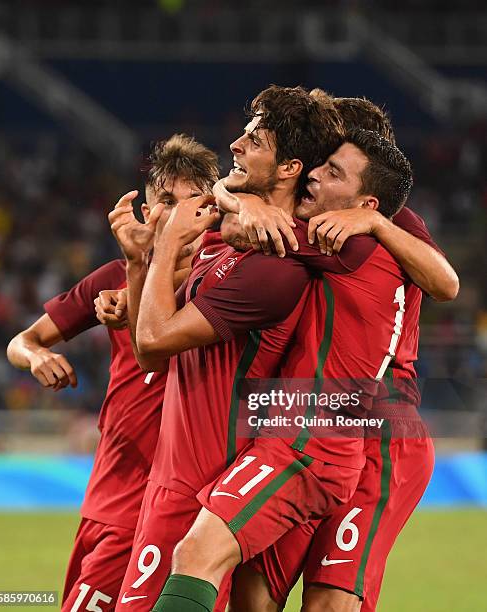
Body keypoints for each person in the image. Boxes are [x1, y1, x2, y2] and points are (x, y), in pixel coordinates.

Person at [150, 129, 436, 612]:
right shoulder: (352, 234)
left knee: (214, 560)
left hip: (332, 437)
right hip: (297, 429)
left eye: (332, 170)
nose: (313, 175)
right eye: (320, 163)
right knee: (252, 597)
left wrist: (239, 205)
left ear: (367, 203)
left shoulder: (346, 241)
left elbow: (446, 282)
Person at [112, 85, 345, 611]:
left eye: (254, 140)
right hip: (171, 476)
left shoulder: (276, 271)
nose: (235, 145)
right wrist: (135, 267)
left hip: (201, 483)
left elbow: (150, 346)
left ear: (288, 167)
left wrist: (169, 236)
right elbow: (150, 310)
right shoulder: (230, 235)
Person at [6, 134, 220, 612]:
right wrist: (37, 356)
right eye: (166, 200)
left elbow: (157, 355)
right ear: (147, 207)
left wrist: (139, 274)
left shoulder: (221, 282)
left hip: (157, 500)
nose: (179, 213)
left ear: (213, 209)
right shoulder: (112, 278)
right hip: (103, 492)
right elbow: (22, 341)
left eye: (193, 201)